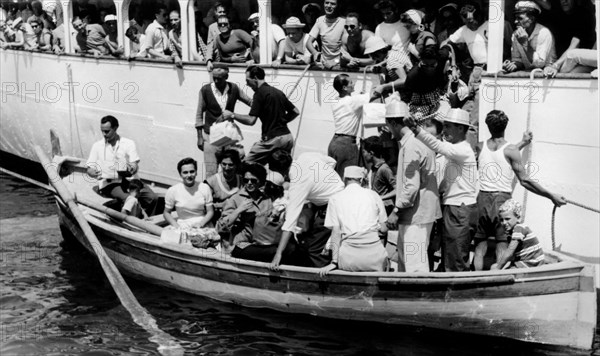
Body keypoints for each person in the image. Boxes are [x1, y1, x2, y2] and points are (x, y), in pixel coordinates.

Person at [473, 110, 566, 270]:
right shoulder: (511, 150)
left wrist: (522, 143)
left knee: (480, 246)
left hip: (482, 199)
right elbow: (524, 180)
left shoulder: (480, 147)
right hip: (502, 200)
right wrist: (551, 195)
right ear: (506, 126)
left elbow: (498, 156)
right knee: (501, 243)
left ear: (488, 126)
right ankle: (497, 278)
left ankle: (475, 279)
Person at [404, 108, 477, 272]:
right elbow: (444, 183)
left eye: (449, 126)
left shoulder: (462, 150)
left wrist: (416, 129)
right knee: (450, 255)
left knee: (456, 258)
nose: (445, 130)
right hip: (453, 207)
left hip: (459, 208)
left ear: (460, 128)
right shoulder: (454, 153)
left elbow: (437, 145)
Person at [384, 97, 441, 273]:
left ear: (394, 123)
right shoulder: (416, 142)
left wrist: (395, 211)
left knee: (414, 267)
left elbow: (411, 187)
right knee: (409, 263)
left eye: (387, 124)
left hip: (416, 215)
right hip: (419, 213)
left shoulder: (411, 146)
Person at [268, 150, 344, 270]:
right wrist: (321, 182)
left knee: (315, 250)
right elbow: (332, 162)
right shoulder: (306, 156)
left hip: (333, 206)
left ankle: (320, 281)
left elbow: (290, 223)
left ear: (280, 172)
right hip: (338, 195)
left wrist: (278, 254)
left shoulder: (298, 184)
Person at [318, 166, 389, 276]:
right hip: (375, 259)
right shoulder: (373, 195)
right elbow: (384, 229)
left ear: (344, 179)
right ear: (361, 180)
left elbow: (335, 232)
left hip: (349, 260)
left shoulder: (335, 198)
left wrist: (334, 262)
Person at [223, 66, 299, 165]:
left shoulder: (259, 94)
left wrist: (232, 115)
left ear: (255, 78)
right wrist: (282, 120)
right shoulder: (278, 92)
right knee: (280, 169)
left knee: (246, 165)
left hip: (272, 140)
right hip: (287, 138)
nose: (247, 84)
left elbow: (251, 121)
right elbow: (295, 112)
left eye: (248, 80)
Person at [86, 115, 159, 215]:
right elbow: (89, 168)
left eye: (107, 131)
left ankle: (145, 220)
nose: (104, 134)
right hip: (110, 183)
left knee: (152, 197)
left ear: (115, 128)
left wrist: (132, 169)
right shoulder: (97, 146)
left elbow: (134, 164)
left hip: (129, 181)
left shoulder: (128, 143)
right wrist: (93, 173)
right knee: (129, 200)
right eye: (102, 131)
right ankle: (130, 223)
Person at [219, 164, 290, 262]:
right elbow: (222, 227)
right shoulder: (236, 199)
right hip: (242, 245)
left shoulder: (266, 199)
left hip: (262, 243)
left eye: (253, 180)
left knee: (289, 248)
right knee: (274, 252)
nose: (249, 183)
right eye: (246, 180)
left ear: (260, 181)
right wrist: (238, 210)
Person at [195, 65, 252, 177]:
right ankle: (211, 193)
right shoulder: (205, 90)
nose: (216, 81)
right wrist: (200, 137)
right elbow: (199, 114)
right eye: (214, 77)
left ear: (226, 76)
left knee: (235, 168)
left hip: (229, 137)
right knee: (211, 172)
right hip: (210, 137)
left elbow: (250, 102)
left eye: (219, 78)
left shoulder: (234, 88)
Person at [328, 73, 372, 177]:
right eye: (351, 82)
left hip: (335, 142)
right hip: (346, 144)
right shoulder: (353, 101)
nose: (354, 84)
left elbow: (352, 103)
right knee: (348, 177)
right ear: (344, 87)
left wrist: (360, 97)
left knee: (335, 177)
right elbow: (375, 93)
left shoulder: (335, 101)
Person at [543, 0, 597, 76]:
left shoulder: (584, 15)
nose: (564, 1)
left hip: (586, 59)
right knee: (571, 72)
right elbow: (545, 4)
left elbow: (574, 45)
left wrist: (555, 66)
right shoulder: (558, 15)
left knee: (571, 58)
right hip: (574, 62)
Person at [503, 1, 556, 73]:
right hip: (528, 74)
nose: (515, 21)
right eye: (515, 18)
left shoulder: (543, 32)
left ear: (531, 19)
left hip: (546, 75)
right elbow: (517, 59)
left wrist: (525, 44)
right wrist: (514, 65)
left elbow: (539, 64)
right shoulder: (516, 34)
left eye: (520, 18)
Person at [491, 199, 545, 270]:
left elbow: (510, 252)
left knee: (499, 269)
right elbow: (513, 254)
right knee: (496, 267)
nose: (504, 223)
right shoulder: (511, 231)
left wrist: (498, 267)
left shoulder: (519, 228)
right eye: (501, 220)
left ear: (518, 217)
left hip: (532, 263)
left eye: (507, 219)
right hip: (525, 261)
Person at [163, 157, 214, 229]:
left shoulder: (204, 187)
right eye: (185, 172)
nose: (189, 175)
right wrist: (176, 225)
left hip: (202, 224)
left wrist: (201, 224)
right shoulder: (173, 190)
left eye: (192, 171)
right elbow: (166, 213)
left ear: (196, 172)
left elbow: (210, 211)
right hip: (182, 225)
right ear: (180, 174)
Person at [364, 36, 412, 101]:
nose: (373, 58)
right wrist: (381, 69)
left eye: (374, 55)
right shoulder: (393, 53)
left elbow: (404, 80)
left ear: (380, 51)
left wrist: (383, 87)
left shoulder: (391, 60)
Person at [204, 148, 243, 220]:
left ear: (236, 165)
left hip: (237, 216)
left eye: (230, 165)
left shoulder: (241, 180)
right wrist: (221, 205)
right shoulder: (211, 181)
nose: (227, 168)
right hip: (217, 217)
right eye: (224, 164)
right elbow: (203, 205)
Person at [305, 0, 345, 69]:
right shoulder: (320, 20)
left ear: (338, 6)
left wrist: (334, 62)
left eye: (332, 4)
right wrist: (315, 53)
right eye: (327, 3)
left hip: (339, 65)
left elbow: (346, 51)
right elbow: (308, 42)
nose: (329, 6)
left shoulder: (344, 22)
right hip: (323, 64)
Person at [362, 136, 396, 215]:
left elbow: (397, 190)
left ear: (371, 153)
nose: (363, 155)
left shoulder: (384, 169)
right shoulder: (373, 168)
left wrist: (381, 198)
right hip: (378, 208)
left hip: (385, 209)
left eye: (364, 152)